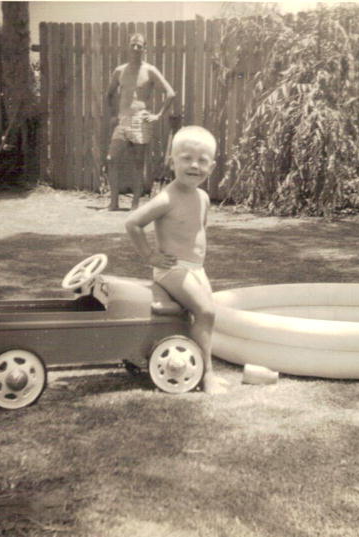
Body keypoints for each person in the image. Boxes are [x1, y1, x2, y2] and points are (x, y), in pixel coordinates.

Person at [125, 126, 228, 395]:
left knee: (205, 315)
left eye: (202, 160)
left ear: (212, 166)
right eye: (186, 158)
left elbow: (198, 232)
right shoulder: (167, 198)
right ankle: (207, 376)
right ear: (172, 161)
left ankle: (195, 366)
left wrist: (198, 266)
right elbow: (133, 222)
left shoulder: (203, 197)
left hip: (195, 269)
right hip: (171, 269)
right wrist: (150, 256)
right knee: (206, 312)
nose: (195, 165)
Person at [106, 33, 175, 211]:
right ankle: (113, 202)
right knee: (111, 159)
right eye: (133, 45)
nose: (136, 48)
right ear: (129, 47)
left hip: (140, 120)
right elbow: (109, 94)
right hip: (123, 120)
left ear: (145, 49)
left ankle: (135, 204)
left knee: (138, 164)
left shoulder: (149, 70)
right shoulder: (119, 70)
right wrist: (114, 115)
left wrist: (158, 115)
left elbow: (170, 93)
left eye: (139, 45)